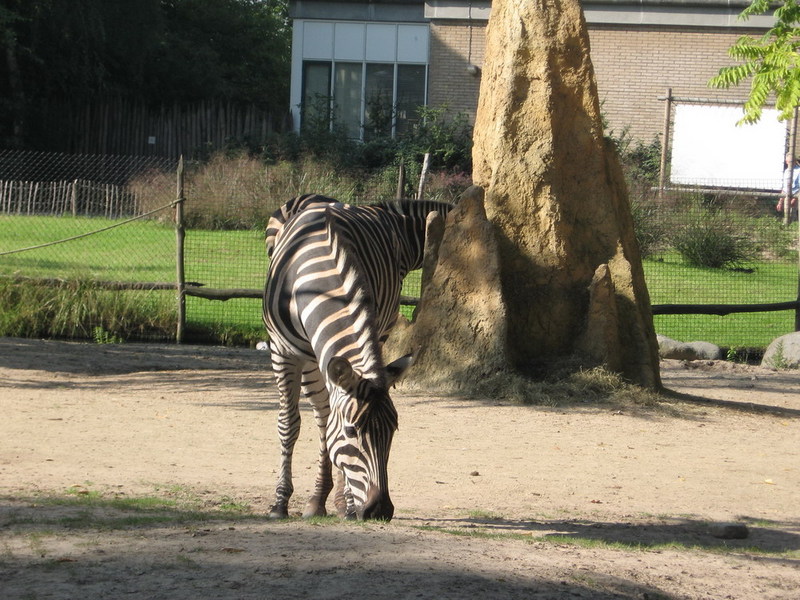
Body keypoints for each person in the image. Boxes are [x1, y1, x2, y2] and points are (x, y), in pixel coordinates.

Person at [777, 153, 800, 222]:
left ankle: (793, 229)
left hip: (796, 195)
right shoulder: (786, 171)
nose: (788, 163)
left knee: (792, 215)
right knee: (786, 216)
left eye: (791, 162)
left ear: (795, 161)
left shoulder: (799, 171)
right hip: (786, 196)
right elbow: (784, 188)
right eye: (787, 162)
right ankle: (786, 229)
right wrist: (780, 202)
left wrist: (794, 199)